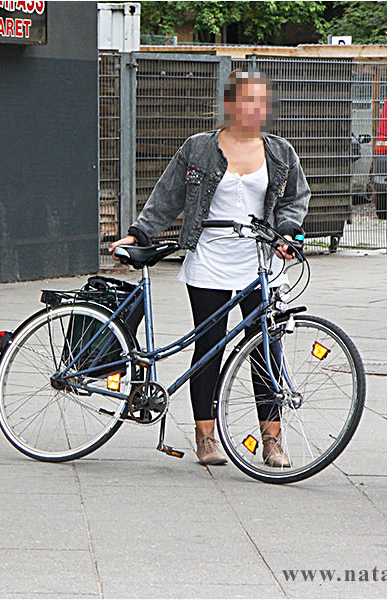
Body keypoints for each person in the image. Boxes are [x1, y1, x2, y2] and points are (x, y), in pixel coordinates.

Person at [109, 70, 310, 467]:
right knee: (209, 348)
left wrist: (288, 233)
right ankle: (206, 437)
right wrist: (139, 233)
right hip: (210, 260)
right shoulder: (199, 148)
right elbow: (168, 196)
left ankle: (272, 440)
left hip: (260, 263)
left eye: (261, 101)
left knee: (266, 348)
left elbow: (294, 199)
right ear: (230, 104)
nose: (256, 109)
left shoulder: (280, 152)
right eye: (248, 100)